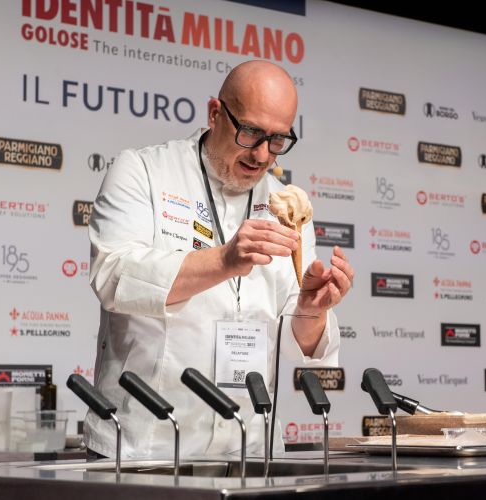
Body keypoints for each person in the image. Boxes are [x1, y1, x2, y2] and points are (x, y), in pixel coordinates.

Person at [84, 60, 355, 459]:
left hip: (249, 449)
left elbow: (300, 346)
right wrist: (224, 260)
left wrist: (311, 311)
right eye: (250, 132)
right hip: (146, 447)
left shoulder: (284, 205)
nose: (263, 155)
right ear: (215, 113)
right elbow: (113, 277)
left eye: (278, 140)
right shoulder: (144, 171)